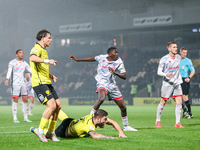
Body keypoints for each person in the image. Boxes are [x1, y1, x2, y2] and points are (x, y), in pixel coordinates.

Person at [69, 47, 137, 131]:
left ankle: (126, 126)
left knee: (123, 107)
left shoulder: (119, 61)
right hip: (102, 83)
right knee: (101, 99)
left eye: (117, 52)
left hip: (112, 85)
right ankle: (90, 118)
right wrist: (78, 60)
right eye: (115, 53)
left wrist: (115, 72)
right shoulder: (102, 57)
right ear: (109, 54)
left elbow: (124, 76)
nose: (117, 54)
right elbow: (92, 58)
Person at [29, 29, 61, 142]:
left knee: (58, 106)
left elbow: (40, 67)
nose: (51, 40)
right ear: (43, 38)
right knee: (51, 106)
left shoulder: (44, 50)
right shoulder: (37, 48)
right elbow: (32, 58)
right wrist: (48, 61)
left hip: (46, 81)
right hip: (39, 83)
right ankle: (40, 130)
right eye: (49, 38)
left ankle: (50, 132)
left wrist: (51, 75)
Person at [30, 109, 127, 139]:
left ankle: (56, 109)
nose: (107, 121)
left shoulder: (95, 116)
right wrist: (113, 138)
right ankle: (34, 129)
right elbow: (95, 136)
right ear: (98, 119)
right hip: (65, 130)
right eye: (105, 119)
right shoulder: (88, 126)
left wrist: (120, 132)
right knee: (49, 133)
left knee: (65, 118)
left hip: (72, 121)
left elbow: (112, 122)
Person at [155, 42, 184, 128]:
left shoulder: (178, 57)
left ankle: (177, 123)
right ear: (169, 49)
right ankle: (158, 121)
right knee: (163, 102)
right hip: (167, 83)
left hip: (177, 82)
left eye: (176, 47)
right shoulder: (164, 59)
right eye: (174, 47)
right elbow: (159, 72)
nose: (176, 49)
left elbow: (184, 55)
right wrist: (166, 74)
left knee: (179, 101)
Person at [5, 49, 32, 123]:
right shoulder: (12, 62)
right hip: (15, 83)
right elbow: (9, 71)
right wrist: (7, 79)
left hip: (22, 83)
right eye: (20, 53)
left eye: (22, 53)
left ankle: (26, 117)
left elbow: (30, 69)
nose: (22, 54)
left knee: (25, 99)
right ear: (17, 54)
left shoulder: (24, 63)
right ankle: (15, 118)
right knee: (15, 99)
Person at [179, 47, 195, 118]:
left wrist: (189, 77)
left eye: (186, 52)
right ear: (180, 52)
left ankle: (190, 114)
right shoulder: (177, 60)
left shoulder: (188, 61)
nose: (185, 54)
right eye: (184, 52)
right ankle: (185, 109)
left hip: (184, 80)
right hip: (177, 80)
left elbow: (193, 70)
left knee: (184, 97)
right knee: (174, 97)